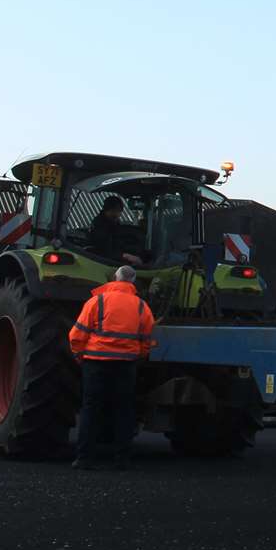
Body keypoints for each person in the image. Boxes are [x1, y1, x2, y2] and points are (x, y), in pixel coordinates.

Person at [69, 265, 155, 470]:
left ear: (115, 278)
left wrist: (79, 355)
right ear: (132, 282)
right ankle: (121, 460)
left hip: (95, 363)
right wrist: (138, 355)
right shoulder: (142, 306)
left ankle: (84, 458)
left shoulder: (97, 301)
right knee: (124, 410)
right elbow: (147, 339)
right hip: (126, 365)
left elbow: (76, 334)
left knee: (91, 408)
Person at [88, 196, 146, 265]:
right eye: (114, 210)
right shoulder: (100, 225)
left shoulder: (112, 222)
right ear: (107, 209)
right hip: (105, 260)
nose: (117, 214)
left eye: (119, 211)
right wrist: (125, 256)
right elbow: (104, 249)